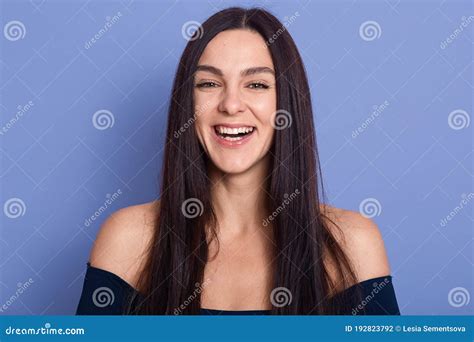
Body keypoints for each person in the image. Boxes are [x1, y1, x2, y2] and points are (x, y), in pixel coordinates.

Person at [76, 7, 400, 315]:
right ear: (187, 104)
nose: (231, 104)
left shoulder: (351, 245)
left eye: (256, 84)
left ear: (285, 103)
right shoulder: (129, 239)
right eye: (209, 84)